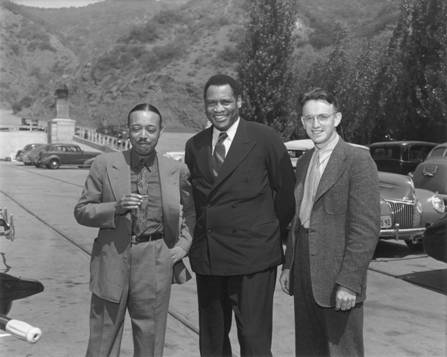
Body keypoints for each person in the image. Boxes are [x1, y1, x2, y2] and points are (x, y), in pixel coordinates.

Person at [184, 74, 296, 357]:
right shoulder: (194, 146)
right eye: (212, 103)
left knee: (253, 339)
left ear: (239, 102)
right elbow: (194, 203)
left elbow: (285, 196)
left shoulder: (264, 138)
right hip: (209, 258)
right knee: (212, 341)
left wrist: (262, 232)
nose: (218, 109)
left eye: (225, 101)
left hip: (253, 258)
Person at [74, 103, 195, 357]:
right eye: (137, 128)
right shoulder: (105, 164)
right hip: (111, 258)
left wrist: (182, 247)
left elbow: (192, 213)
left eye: (150, 129)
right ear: (127, 130)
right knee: (102, 339)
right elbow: (82, 210)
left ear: (160, 131)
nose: (143, 135)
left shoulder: (176, 170)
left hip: (155, 259)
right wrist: (114, 208)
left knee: (150, 341)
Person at [280, 88, 380, 357]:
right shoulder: (304, 163)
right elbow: (298, 220)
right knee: (309, 350)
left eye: (323, 117)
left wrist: (349, 282)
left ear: (337, 119)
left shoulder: (358, 161)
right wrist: (289, 266)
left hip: (338, 276)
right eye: (309, 118)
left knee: (342, 351)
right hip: (304, 273)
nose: (316, 125)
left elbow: (366, 229)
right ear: (302, 122)